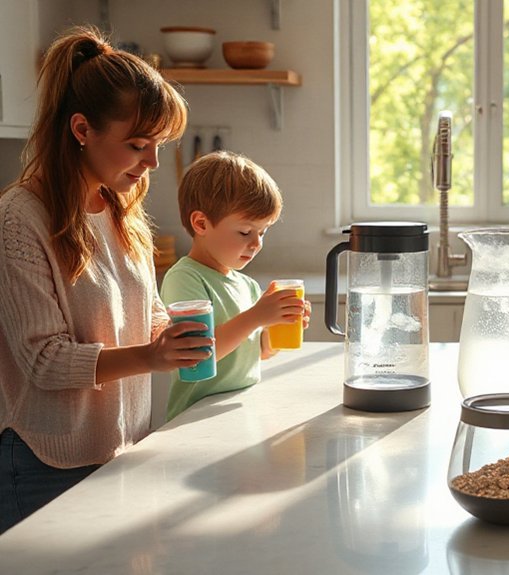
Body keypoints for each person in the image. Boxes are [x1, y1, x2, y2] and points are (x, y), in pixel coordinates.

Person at [0, 26, 203, 533]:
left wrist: (177, 334)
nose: (152, 162)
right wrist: (151, 357)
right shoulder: (19, 219)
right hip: (45, 464)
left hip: (122, 450)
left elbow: (147, 313)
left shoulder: (120, 209)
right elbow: (44, 360)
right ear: (81, 129)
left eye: (159, 144)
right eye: (137, 145)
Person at [160, 151, 310, 422]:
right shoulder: (185, 277)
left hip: (240, 411)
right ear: (201, 224)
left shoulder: (247, 285)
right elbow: (195, 358)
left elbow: (257, 352)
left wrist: (277, 326)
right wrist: (256, 316)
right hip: (195, 419)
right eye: (245, 232)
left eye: (262, 232)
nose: (257, 243)